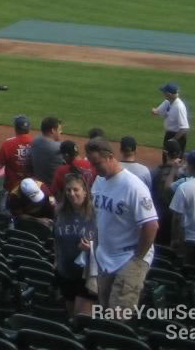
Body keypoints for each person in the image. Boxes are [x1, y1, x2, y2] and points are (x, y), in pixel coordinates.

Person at [87, 136, 158, 318]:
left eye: (97, 163)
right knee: (104, 311)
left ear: (110, 157)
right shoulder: (99, 181)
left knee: (118, 317)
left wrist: (137, 259)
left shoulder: (133, 187)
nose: (94, 168)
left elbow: (151, 226)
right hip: (106, 258)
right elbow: (97, 214)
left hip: (128, 259)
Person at [52, 172, 99, 317]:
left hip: (87, 275)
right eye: (68, 190)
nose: (72, 194)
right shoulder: (60, 212)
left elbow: (108, 243)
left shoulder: (96, 213)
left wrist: (91, 248)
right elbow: (56, 239)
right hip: (66, 272)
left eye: (76, 189)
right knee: (72, 315)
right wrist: (56, 262)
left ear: (85, 191)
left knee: (82, 318)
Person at [0, 115, 36, 206]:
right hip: (32, 189)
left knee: (7, 213)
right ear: (29, 128)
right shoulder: (36, 143)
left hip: (12, 188)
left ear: (16, 128)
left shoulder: (8, 144)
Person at [154, 82, 190, 153]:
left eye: (164, 92)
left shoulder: (179, 107)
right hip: (169, 134)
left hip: (178, 137)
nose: (163, 94)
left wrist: (173, 140)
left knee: (175, 160)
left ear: (169, 94)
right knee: (166, 158)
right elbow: (157, 112)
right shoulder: (168, 101)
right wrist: (157, 112)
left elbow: (184, 128)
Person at [31, 116, 65, 186]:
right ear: (52, 130)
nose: (61, 132)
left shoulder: (36, 140)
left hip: (38, 184)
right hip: (52, 187)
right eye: (59, 129)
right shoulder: (58, 148)